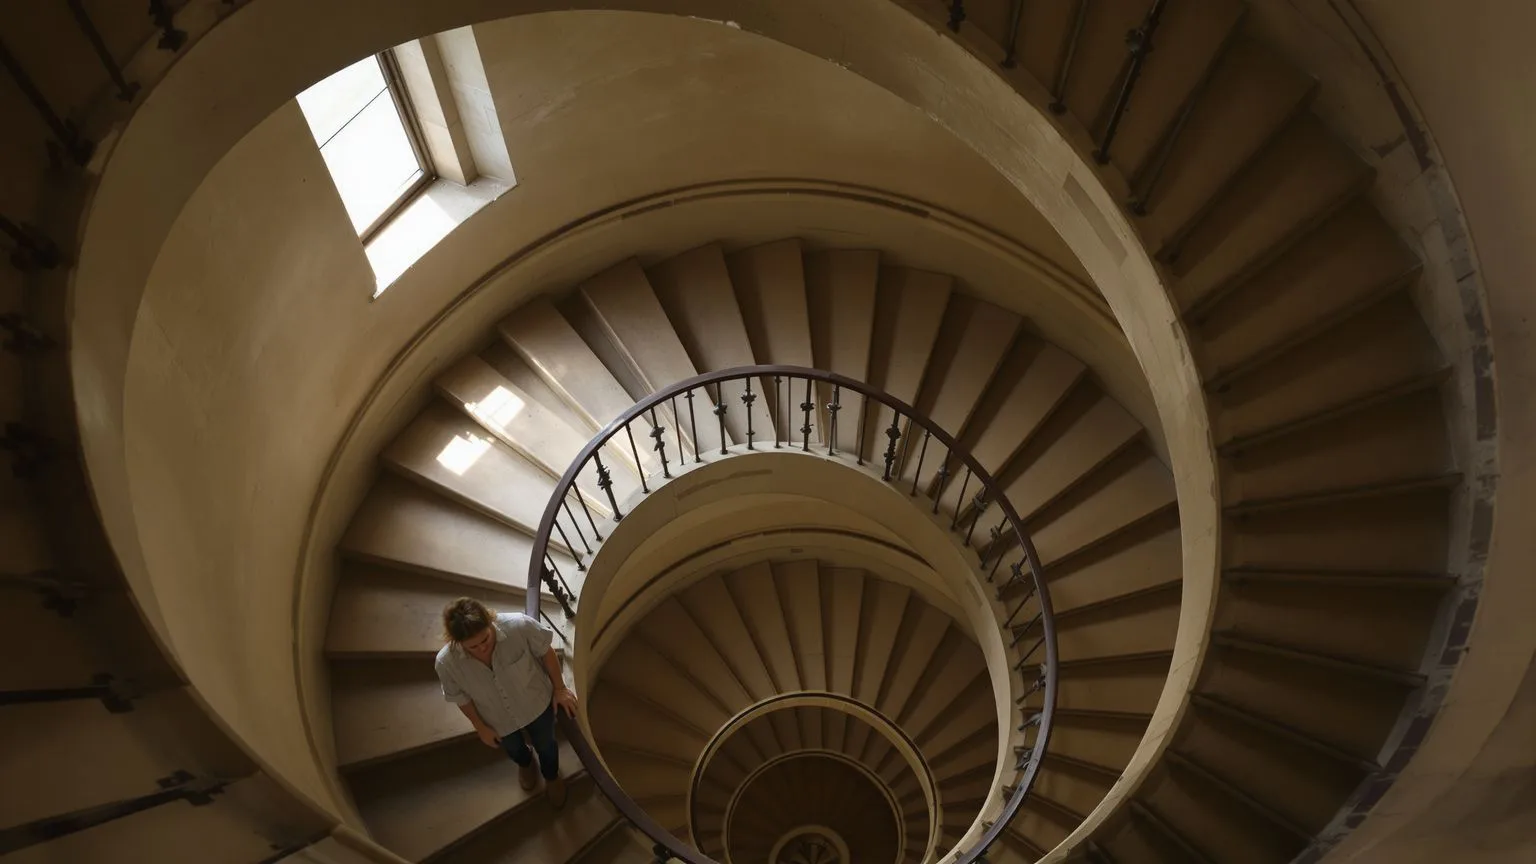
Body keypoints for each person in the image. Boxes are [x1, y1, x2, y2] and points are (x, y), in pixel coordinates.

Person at [434, 598, 579, 806]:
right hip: (498, 719)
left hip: (536, 704)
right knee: (514, 749)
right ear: (456, 641)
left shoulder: (518, 626)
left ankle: (551, 775)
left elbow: (546, 651)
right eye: (472, 647)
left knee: (547, 745)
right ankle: (526, 763)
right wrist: (480, 727)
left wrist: (560, 688)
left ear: (489, 621)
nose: (482, 648)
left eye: (485, 639)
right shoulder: (446, 664)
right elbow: (460, 698)